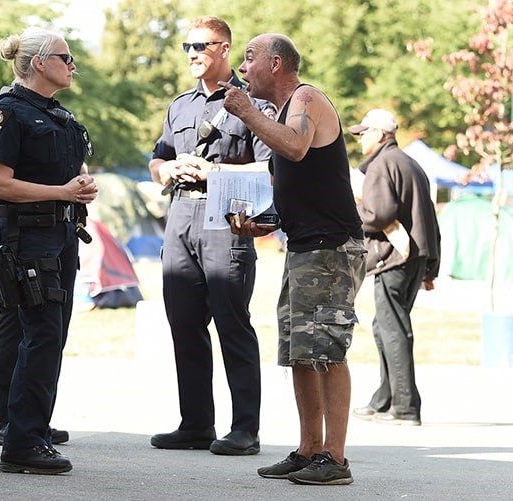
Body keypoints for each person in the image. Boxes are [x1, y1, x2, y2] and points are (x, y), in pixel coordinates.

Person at [220, 33, 367, 486]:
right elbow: (300, 187)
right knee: (301, 353)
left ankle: (335, 460)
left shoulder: (306, 98)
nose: (242, 70)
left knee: (326, 351)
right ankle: (308, 451)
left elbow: (298, 146)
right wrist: (262, 223)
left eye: (249, 58)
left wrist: (246, 112)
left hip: (331, 248)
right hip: (304, 247)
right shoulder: (279, 115)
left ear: (277, 63)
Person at [147, 16, 275, 456]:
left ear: (224, 48)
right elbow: (157, 159)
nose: (191, 53)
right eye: (186, 46)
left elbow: (270, 169)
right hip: (179, 214)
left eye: (200, 45)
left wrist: (214, 171)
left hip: (227, 217)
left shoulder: (250, 103)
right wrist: (168, 170)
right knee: (184, 324)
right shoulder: (179, 106)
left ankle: (245, 429)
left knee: (232, 324)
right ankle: (196, 423)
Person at [0, 27, 97, 474]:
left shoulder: (60, 117)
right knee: (40, 335)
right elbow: (0, 183)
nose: (72, 66)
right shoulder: (9, 112)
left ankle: (31, 429)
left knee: (52, 336)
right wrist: (63, 191)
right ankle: (22, 442)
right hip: (27, 240)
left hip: (61, 236)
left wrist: (81, 187)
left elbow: (70, 176)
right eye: (65, 58)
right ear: (38, 63)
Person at [347, 109, 440, 426]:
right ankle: (384, 399)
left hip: (394, 256)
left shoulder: (382, 165)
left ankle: (404, 407)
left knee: (393, 328)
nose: (360, 139)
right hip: (415, 256)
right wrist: (431, 267)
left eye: (363, 133)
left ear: (379, 134)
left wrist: (352, 216)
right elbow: (429, 217)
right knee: (385, 326)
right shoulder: (409, 163)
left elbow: (380, 214)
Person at [0, 168, 69, 448]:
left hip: (56, 226)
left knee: (48, 330)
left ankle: (31, 420)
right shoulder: (11, 121)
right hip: (19, 227)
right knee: (13, 323)